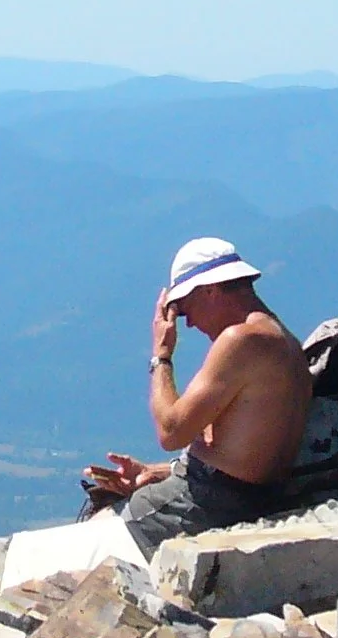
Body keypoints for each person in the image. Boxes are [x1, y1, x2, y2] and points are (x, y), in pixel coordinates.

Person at [83, 236, 313, 557]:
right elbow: (241, 453)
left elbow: (171, 431)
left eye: (185, 307)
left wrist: (161, 356)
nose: (187, 322)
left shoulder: (240, 340)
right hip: (249, 498)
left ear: (210, 290)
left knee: (85, 541)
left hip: (206, 502)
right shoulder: (284, 341)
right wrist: (156, 472)